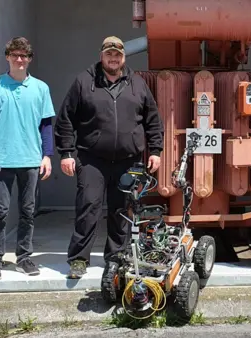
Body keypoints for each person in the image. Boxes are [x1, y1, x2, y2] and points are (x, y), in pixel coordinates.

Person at [54, 36, 164, 280]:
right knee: (88, 206)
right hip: (92, 158)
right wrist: (66, 153)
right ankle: (79, 259)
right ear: (101, 56)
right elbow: (65, 120)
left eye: (117, 54)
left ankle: (116, 256)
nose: (113, 58)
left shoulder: (137, 84)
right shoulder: (84, 82)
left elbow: (152, 120)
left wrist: (155, 151)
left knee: (121, 210)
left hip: (129, 159)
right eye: (109, 54)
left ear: (123, 57)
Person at [0, 37, 55, 280]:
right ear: (7, 57)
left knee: (27, 211)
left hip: (31, 159)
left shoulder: (40, 88)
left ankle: (24, 258)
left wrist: (47, 155)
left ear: (30, 59)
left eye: (24, 56)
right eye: (15, 55)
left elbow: (46, 124)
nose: (19, 59)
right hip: (2, 159)